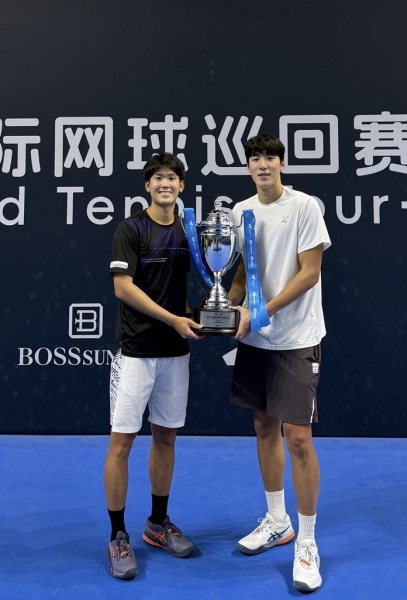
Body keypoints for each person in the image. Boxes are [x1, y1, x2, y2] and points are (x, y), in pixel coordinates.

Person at [228, 134, 331, 593]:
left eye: (270, 157)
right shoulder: (240, 211)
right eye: (255, 158)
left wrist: (262, 311)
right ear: (248, 167)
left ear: (282, 164)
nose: (263, 164)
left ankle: (306, 543)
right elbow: (240, 270)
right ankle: (277, 520)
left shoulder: (305, 206)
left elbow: (309, 273)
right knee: (263, 427)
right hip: (256, 339)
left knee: (299, 439)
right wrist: (227, 306)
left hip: (296, 338)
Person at [104, 153, 202, 580]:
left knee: (166, 438)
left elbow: (188, 283)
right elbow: (122, 288)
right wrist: (172, 319)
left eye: (172, 178)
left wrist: (199, 316)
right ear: (147, 186)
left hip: (175, 354)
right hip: (135, 352)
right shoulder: (131, 229)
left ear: (182, 186)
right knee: (122, 444)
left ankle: (157, 524)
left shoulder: (189, 232)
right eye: (158, 178)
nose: (165, 184)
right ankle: (118, 534)